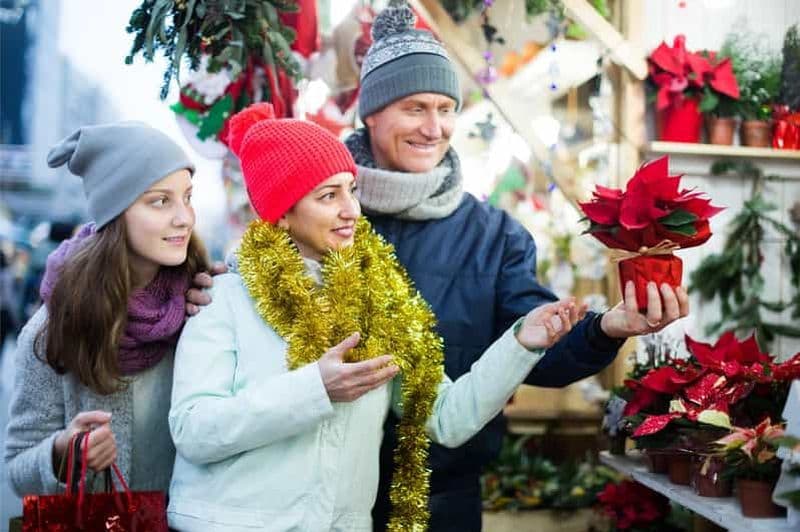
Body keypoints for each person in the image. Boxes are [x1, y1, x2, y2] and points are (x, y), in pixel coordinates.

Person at [186, 3, 690, 530]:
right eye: (415, 108)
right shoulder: (317, 222)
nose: (435, 128)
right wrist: (214, 288)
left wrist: (603, 330)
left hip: (438, 499)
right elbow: (230, 387)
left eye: (447, 107)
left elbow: (536, 349)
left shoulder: (493, 237)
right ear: (372, 112)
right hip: (299, 501)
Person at [166, 103, 585, 532]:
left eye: (351, 189)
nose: (352, 210)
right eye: (329, 196)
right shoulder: (224, 298)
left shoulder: (380, 305)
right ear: (283, 214)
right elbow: (193, 430)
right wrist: (315, 388)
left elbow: (447, 417)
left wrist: (521, 344)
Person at [5, 122, 207, 496]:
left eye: (187, 197)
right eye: (160, 201)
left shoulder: (200, 306)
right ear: (116, 213)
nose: (184, 217)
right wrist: (63, 452)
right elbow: (17, 469)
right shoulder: (56, 328)